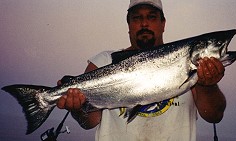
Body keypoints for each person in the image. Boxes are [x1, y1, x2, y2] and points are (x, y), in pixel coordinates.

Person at [57, 0, 226, 140]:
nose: (144, 23)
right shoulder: (103, 61)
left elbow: (214, 115)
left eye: (151, 17)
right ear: (129, 24)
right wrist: (77, 108)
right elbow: (89, 122)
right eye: (137, 18)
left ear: (163, 23)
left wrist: (208, 85)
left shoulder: (186, 65)